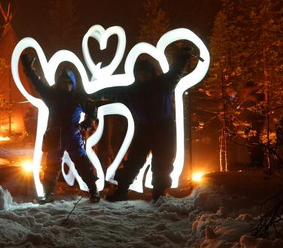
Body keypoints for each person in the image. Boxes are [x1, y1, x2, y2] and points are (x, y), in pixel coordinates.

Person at [104, 48, 194, 202]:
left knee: (162, 163)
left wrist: (183, 56)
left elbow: (176, 71)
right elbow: (113, 92)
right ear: (136, 75)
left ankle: (159, 194)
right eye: (140, 73)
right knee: (133, 161)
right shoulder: (133, 91)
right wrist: (90, 96)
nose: (143, 75)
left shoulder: (163, 83)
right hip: (144, 129)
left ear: (151, 72)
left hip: (162, 129)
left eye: (145, 72)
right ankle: (122, 190)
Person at [20, 53, 100, 203]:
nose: (66, 85)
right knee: (51, 168)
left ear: (73, 83)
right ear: (59, 83)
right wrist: (28, 69)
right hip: (55, 136)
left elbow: (92, 110)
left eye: (69, 83)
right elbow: (38, 84)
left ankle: (94, 191)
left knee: (83, 166)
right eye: (63, 82)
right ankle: (48, 193)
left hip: (73, 136)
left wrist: (86, 124)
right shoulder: (52, 96)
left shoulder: (78, 97)